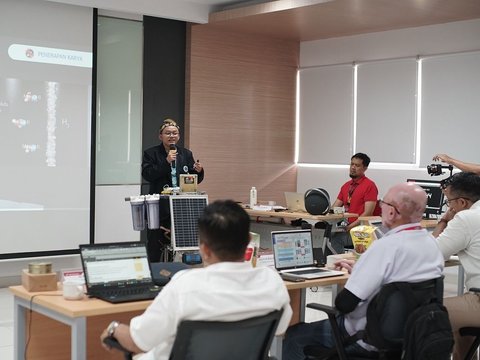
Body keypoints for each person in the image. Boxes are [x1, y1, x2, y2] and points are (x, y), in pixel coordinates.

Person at [100, 200, 293, 360]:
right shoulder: (271, 281)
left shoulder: (185, 286)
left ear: (205, 249)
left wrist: (113, 328)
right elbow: (281, 329)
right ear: (249, 240)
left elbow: (138, 341)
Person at [283, 182, 444, 360]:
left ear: (391, 212)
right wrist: (361, 272)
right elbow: (401, 283)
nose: (381, 207)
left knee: (294, 336)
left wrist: (360, 276)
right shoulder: (432, 245)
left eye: (382, 203)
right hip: (412, 337)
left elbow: (344, 304)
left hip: (366, 337)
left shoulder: (384, 247)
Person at [431, 172, 480, 360]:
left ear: (461, 203)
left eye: (448, 202)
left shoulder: (466, 218)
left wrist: (443, 221)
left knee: (422, 315)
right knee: (462, 330)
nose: (448, 207)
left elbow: (431, 254)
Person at [141, 118, 205, 262]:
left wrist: (199, 171)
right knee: (156, 243)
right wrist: (166, 162)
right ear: (160, 136)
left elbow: (193, 179)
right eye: (168, 133)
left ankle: (178, 272)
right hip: (159, 205)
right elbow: (148, 175)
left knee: (179, 243)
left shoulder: (186, 154)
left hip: (180, 205)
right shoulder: (151, 153)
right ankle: (155, 272)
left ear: (179, 136)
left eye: (175, 133)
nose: (172, 136)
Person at [330, 153, 381, 253]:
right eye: (352, 164)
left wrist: (350, 227)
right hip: (347, 226)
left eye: (357, 165)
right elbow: (334, 208)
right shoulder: (346, 186)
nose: (353, 168)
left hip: (361, 230)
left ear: (365, 168)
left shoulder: (369, 186)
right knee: (325, 234)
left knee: (335, 238)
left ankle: (340, 264)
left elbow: (368, 213)